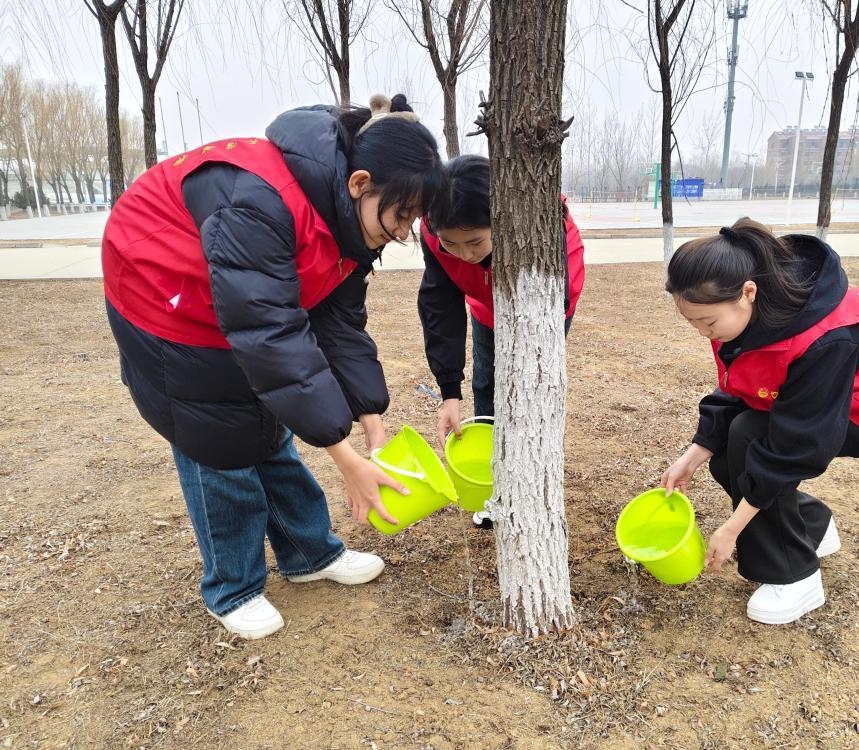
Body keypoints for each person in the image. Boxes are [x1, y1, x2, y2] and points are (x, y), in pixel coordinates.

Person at [102, 94, 445, 639]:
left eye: (413, 219)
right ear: (360, 183)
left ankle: (309, 554)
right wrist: (346, 459)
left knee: (269, 426)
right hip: (160, 287)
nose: (403, 232)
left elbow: (337, 323)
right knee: (217, 434)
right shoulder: (261, 202)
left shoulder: (347, 218)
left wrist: (372, 425)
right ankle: (232, 586)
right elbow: (272, 340)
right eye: (401, 215)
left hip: (233, 293)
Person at [660, 217, 859, 625]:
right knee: (729, 451)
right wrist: (695, 452)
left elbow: (797, 446)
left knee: (751, 439)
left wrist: (732, 529)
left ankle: (794, 576)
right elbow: (743, 385)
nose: (703, 333)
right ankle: (813, 526)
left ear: (747, 293)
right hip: (820, 399)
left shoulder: (826, 339)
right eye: (692, 322)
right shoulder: (748, 316)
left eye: (709, 322)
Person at [416, 155, 586, 528]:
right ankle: (497, 484)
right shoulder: (432, 230)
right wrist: (449, 391)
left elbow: (551, 301)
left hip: (544, 307)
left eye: (474, 242)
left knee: (528, 389)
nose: (464, 255)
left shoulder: (538, 224)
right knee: (487, 383)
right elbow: (440, 306)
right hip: (486, 305)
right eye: (450, 244)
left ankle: (531, 482)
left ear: (503, 219)